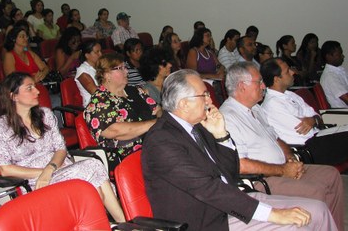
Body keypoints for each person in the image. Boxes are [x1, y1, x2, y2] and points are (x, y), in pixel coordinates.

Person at [142, 69, 336, 231]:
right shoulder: (162, 140)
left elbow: (230, 172)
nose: (210, 100)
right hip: (208, 220)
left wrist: (221, 136)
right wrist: (273, 214)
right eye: (204, 95)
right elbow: (206, 189)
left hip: (233, 201)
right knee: (297, 224)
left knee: (318, 209)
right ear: (184, 103)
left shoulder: (198, 127)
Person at [219, 62, 344, 230]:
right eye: (259, 82)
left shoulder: (256, 109)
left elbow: (276, 139)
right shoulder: (227, 117)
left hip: (282, 169)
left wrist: (291, 160)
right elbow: (241, 165)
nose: (264, 86)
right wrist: (283, 171)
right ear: (242, 86)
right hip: (261, 179)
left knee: (331, 175)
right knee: (317, 192)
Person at [0, 72, 125, 222]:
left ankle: (119, 224)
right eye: (30, 88)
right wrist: (44, 173)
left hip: (59, 169)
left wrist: (51, 168)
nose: (38, 91)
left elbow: (61, 149)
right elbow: (5, 169)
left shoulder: (45, 115)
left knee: (92, 180)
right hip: (34, 181)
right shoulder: (0, 126)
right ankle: (119, 223)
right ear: (13, 96)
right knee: (92, 172)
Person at [261, 58, 348, 165]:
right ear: (277, 79)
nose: (293, 72)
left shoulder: (290, 94)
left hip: (318, 139)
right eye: (288, 71)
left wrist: (313, 120)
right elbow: (304, 130)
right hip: (307, 150)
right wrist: (314, 121)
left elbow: (317, 117)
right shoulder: (272, 104)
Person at [84, 53, 158, 160]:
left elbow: (157, 109)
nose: (127, 71)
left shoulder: (134, 90)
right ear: (106, 75)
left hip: (153, 143)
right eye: (120, 68)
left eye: (125, 67)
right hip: (127, 155)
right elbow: (115, 131)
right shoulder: (99, 102)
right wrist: (155, 123)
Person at [320, 40, 348, 108]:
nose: (343, 56)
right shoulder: (330, 76)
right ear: (328, 56)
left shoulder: (339, 70)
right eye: (339, 54)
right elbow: (346, 98)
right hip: (342, 114)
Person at [75, 40, 102, 108]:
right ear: (87, 55)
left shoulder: (100, 67)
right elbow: (95, 93)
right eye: (97, 52)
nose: (101, 54)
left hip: (105, 100)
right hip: (93, 105)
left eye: (100, 51)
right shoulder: (82, 70)